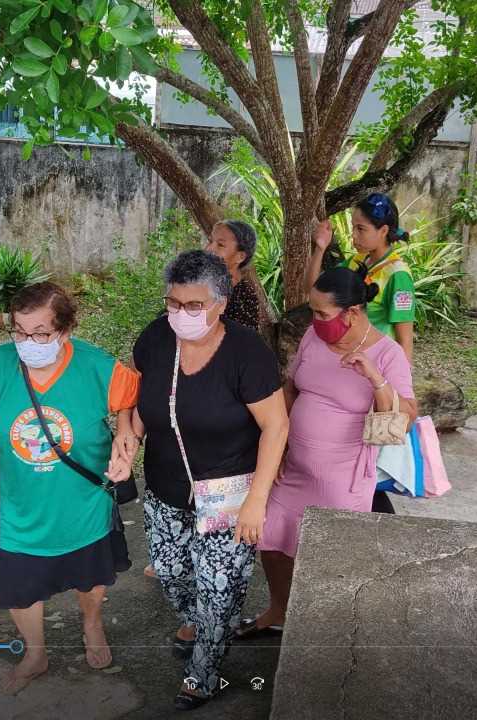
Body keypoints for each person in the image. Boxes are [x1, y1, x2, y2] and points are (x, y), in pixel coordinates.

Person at [0, 281, 137, 694]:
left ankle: (92, 625)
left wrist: (126, 434)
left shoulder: (95, 364)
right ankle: (35, 655)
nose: (28, 342)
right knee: (19, 588)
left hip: (83, 501)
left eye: (40, 333)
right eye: (19, 331)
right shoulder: (1, 364)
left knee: (90, 576)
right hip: (22, 506)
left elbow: (130, 398)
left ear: (65, 331)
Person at [128, 250, 288, 710]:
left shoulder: (246, 352)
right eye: (173, 303)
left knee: (219, 589)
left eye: (194, 306)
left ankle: (204, 671)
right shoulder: (156, 339)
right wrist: (128, 437)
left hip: (228, 495)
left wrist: (257, 500)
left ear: (221, 302)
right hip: (165, 488)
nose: (181, 314)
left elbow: (276, 426)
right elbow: (143, 401)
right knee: (172, 572)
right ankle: (200, 624)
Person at [240, 267, 416, 641]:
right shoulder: (313, 338)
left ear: (352, 312)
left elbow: (404, 419)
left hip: (343, 479)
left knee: (330, 558)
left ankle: (329, 630)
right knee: (271, 542)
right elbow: (291, 387)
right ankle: (279, 609)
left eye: (323, 313)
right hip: (294, 469)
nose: (315, 321)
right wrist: (281, 442)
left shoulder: (387, 354)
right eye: (314, 312)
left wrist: (375, 379)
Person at [307, 192, 415, 361]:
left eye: (361, 229)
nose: (354, 235)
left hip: (377, 363)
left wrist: (400, 384)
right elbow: (314, 290)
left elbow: (405, 340)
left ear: (383, 230)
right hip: (348, 357)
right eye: (353, 227)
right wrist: (320, 249)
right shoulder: (356, 261)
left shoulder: (398, 275)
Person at [205, 219, 265, 331]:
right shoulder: (198, 283)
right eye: (210, 241)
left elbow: (240, 344)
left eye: (220, 245)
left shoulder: (244, 298)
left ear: (240, 257)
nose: (209, 249)